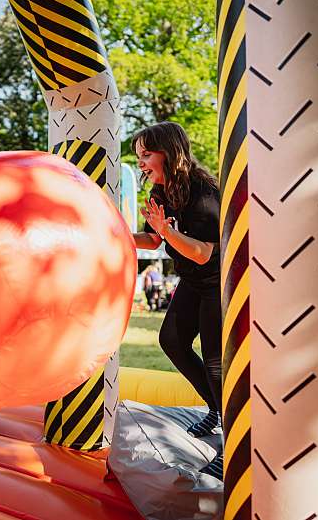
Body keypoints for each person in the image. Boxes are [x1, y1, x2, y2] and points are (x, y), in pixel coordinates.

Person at [130, 121, 223, 480]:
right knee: (171, 340)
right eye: (139, 155)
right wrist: (117, 232)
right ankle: (215, 409)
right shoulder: (159, 191)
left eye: (146, 154)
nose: (141, 162)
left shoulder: (203, 192)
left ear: (169, 152)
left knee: (216, 362)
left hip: (216, 283)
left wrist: (169, 231)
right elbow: (154, 241)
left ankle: (232, 440)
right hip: (192, 281)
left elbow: (202, 253)